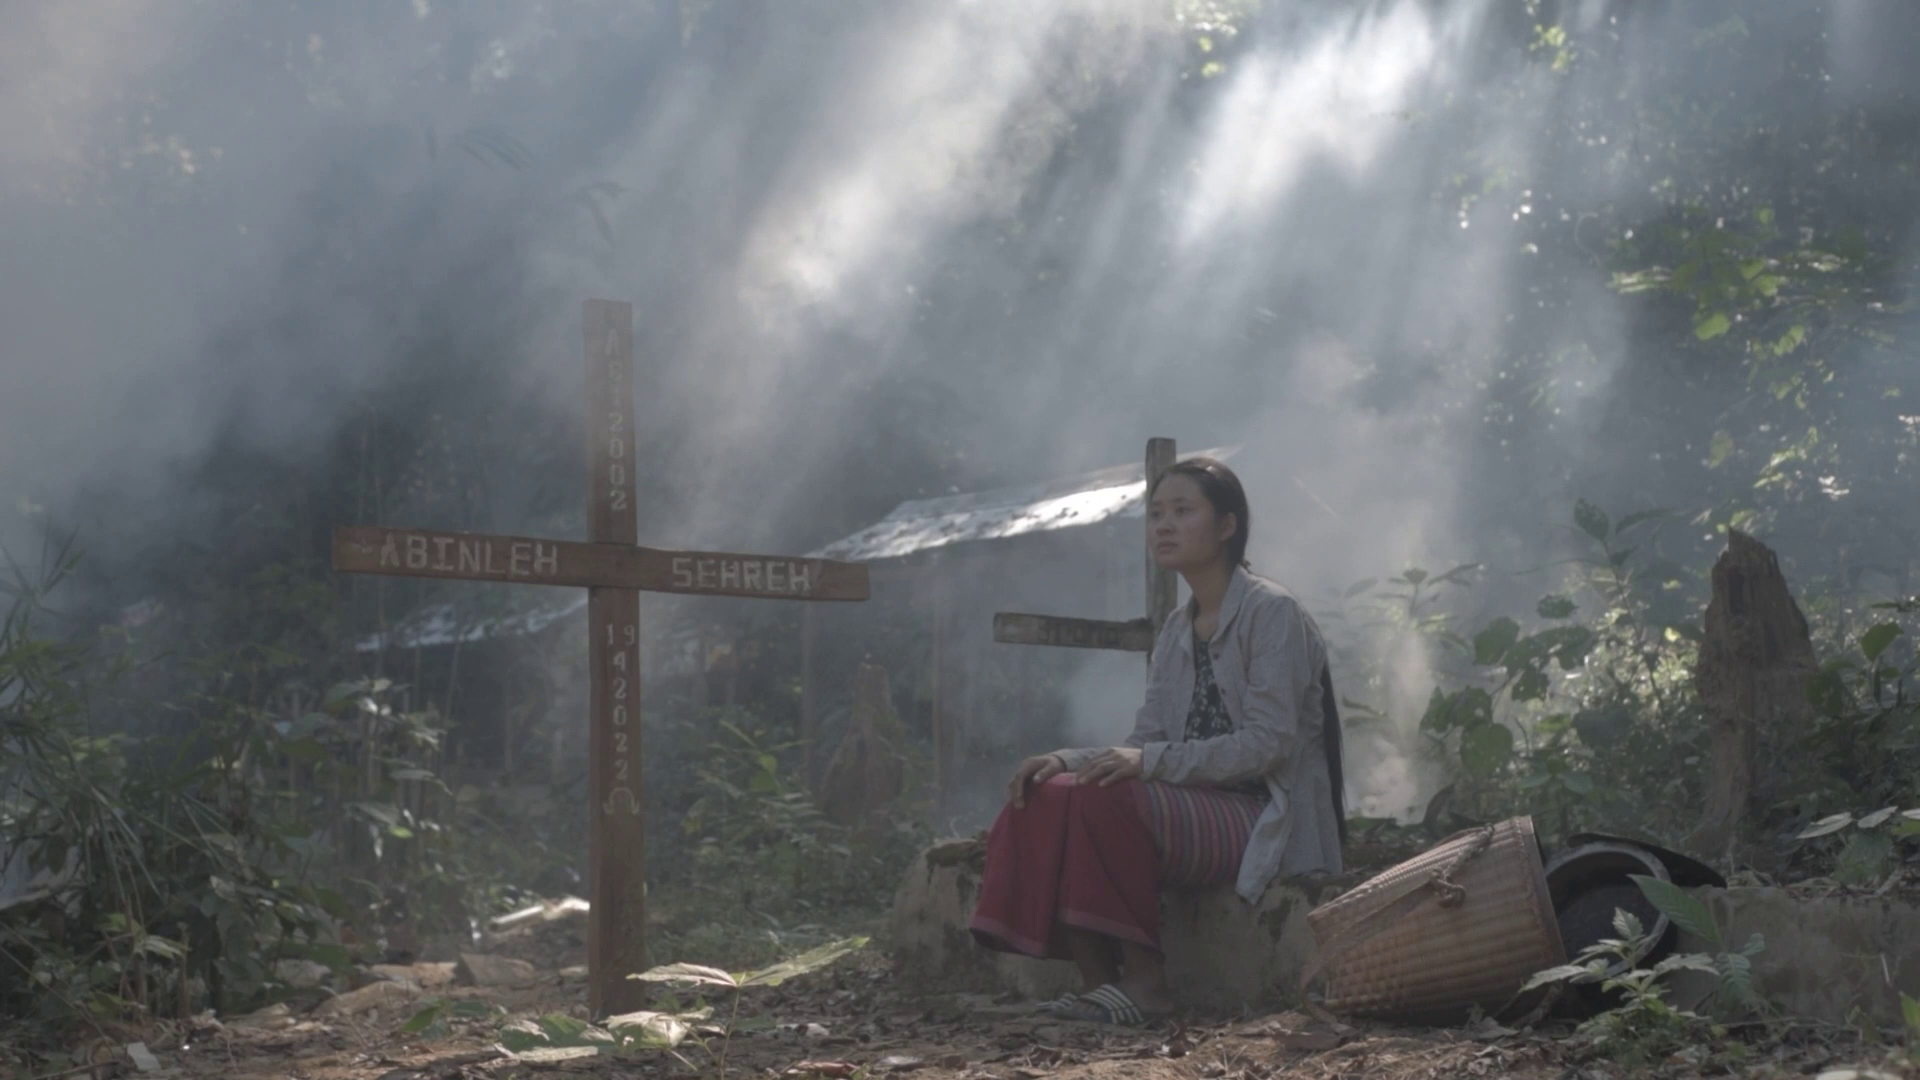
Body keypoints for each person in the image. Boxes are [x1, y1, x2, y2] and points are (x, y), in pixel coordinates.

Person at [968, 457, 1346, 1026]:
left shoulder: (1272, 614)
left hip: (1264, 813)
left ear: (1226, 526)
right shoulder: (1177, 628)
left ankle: (1147, 988)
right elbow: (1146, 740)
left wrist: (1149, 762)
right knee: (1051, 791)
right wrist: (1061, 759)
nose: (1162, 526)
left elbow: (1268, 745)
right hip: (1196, 807)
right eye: (1155, 514)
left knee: (1103, 796)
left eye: (1182, 511)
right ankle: (1102, 987)